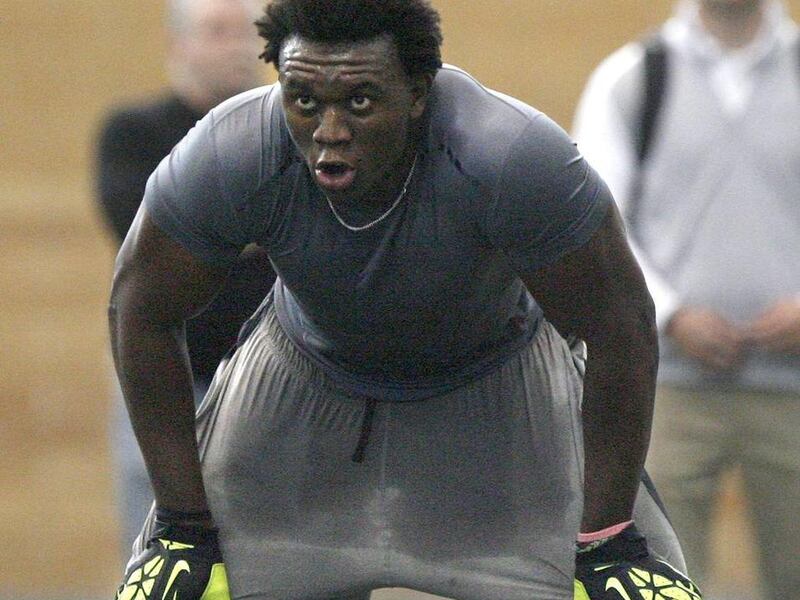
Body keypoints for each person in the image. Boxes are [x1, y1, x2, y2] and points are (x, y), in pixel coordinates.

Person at [109, 1, 704, 599]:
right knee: (171, 590)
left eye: (361, 101)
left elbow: (621, 327)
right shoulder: (234, 151)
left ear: (419, 93)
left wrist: (606, 538)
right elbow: (141, 311)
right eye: (304, 100)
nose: (329, 130)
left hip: (501, 386)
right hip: (302, 382)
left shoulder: (509, 157)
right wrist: (182, 525)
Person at [572, 1, 800, 598]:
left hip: (794, 391)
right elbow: (598, 222)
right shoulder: (632, 77)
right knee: (662, 581)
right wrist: (670, 315)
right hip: (662, 394)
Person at [95, 0, 275, 552]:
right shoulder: (134, 132)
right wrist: (256, 228)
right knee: (160, 548)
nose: (235, 47)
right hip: (163, 376)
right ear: (180, 46)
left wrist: (209, 230)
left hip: (267, 384)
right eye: (216, 32)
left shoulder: (287, 136)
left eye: (245, 34)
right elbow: (143, 235)